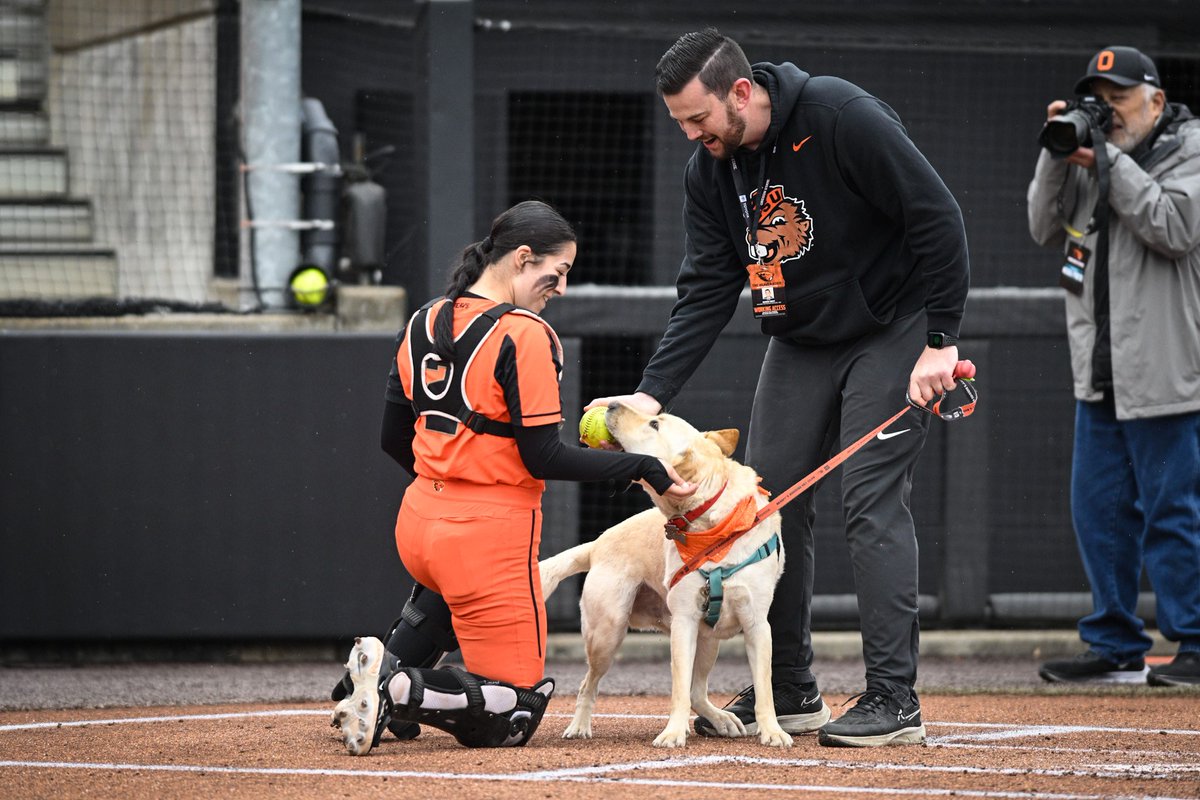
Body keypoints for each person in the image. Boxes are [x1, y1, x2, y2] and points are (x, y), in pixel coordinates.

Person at [589, 29, 970, 747]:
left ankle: (894, 699)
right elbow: (705, 289)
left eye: (698, 118)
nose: (692, 134)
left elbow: (937, 217)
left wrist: (940, 343)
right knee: (768, 502)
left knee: (869, 498)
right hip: (801, 339)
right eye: (679, 123)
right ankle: (791, 688)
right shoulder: (710, 172)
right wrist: (650, 395)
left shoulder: (837, 115)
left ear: (741, 92)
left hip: (895, 326)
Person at [331, 200, 696, 754]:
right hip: (486, 534)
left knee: (453, 590)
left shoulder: (423, 318)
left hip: (419, 523)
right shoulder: (526, 334)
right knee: (515, 708)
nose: (562, 288)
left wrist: (449, 483)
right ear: (523, 257)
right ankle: (393, 687)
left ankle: (372, 676)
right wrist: (645, 466)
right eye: (560, 271)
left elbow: (391, 438)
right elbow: (544, 458)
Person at [1027, 46, 1200, 687]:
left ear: (1155, 100)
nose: (1109, 111)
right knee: (1098, 511)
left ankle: (1195, 641)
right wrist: (1056, 153)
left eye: (1120, 97)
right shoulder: (1090, 155)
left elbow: (1174, 225)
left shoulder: (1191, 149)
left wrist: (1108, 158)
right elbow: (1043, 227)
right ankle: (1114, 638)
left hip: (1167, 370)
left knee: (1171, 511)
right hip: (1098, 370)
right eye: (1099, 98)